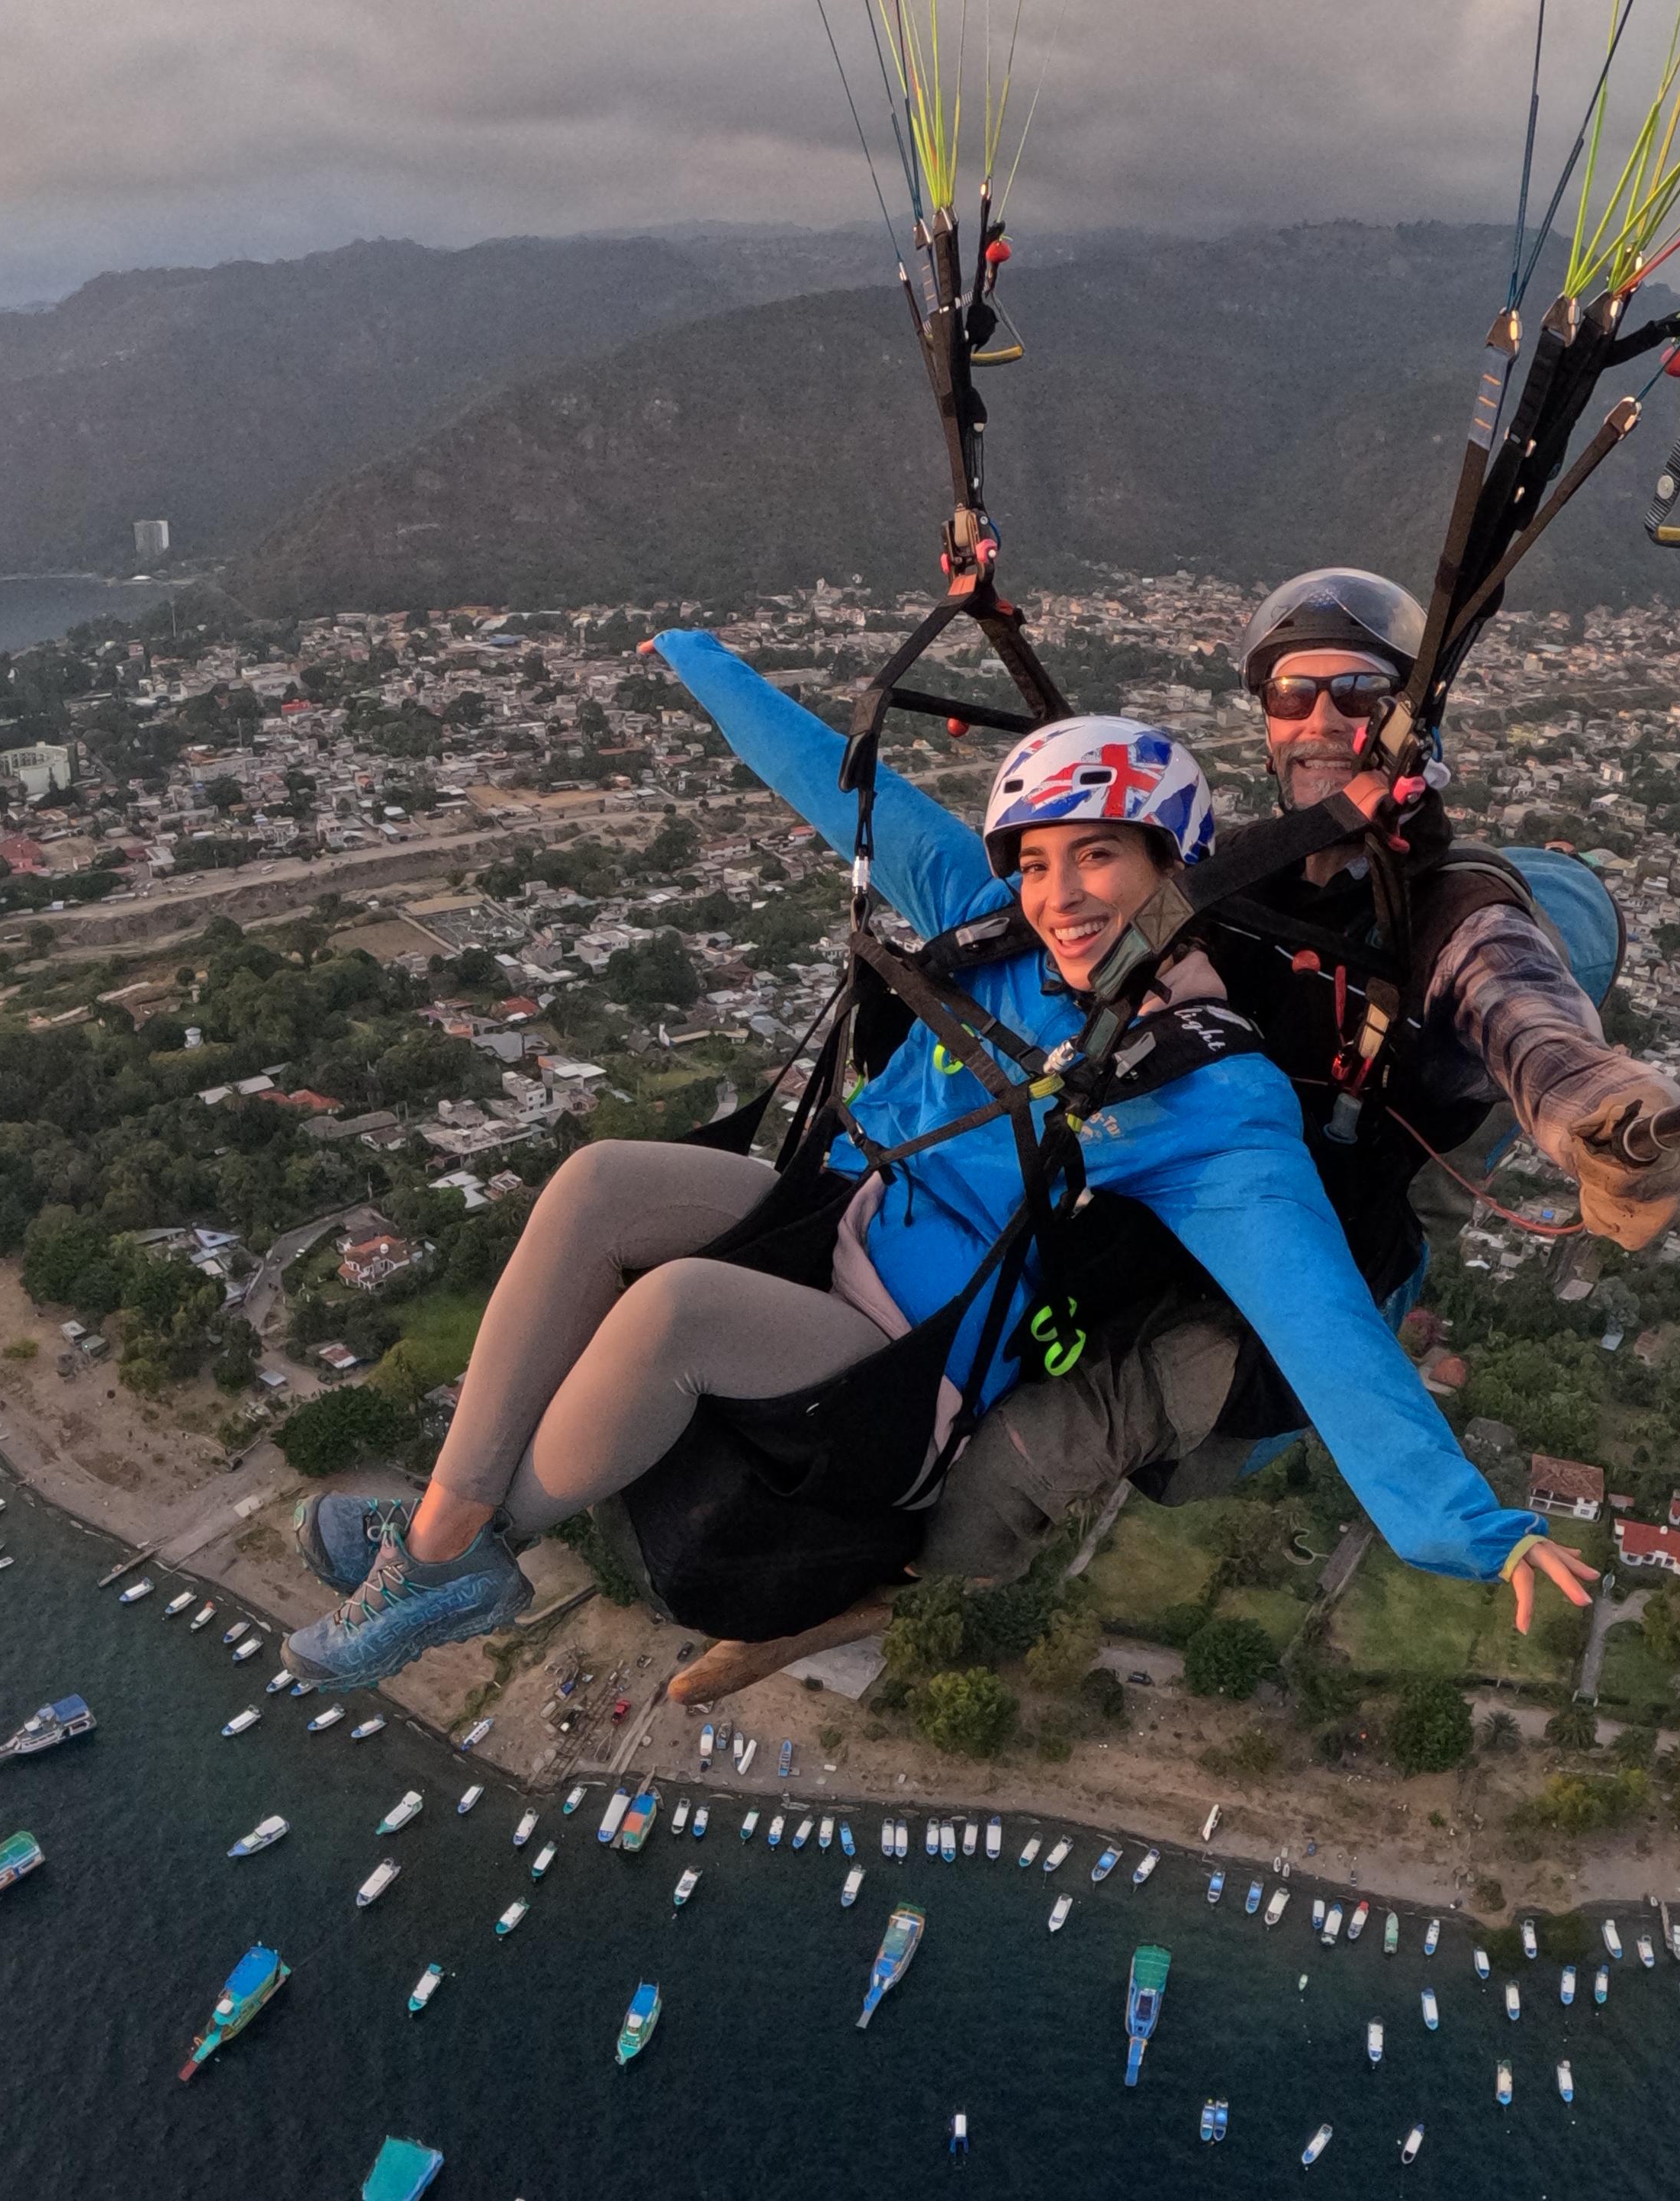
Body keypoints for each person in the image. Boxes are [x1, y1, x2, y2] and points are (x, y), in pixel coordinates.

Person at [282, 653, 1597, 1688]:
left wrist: (1468, 1528)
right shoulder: (1004, 935)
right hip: (848, 1226)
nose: (1063, 895)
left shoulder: (1204, 1086)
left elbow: (1320, 1321)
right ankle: (442, 1531)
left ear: (1169, 872)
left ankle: (451, 1556)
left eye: (1100, 859)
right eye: (1038, 860)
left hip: (911, 1360)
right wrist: (697, 662)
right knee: (603, 1182)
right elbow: (844, 790)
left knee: (672, 1314)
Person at [888, 562, 1680, 1597]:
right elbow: (1078, 883)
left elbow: (1533, 1026)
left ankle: (904, 1596)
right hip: (1168, 1204)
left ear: (1408, 722)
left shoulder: (1455, 910)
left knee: (1033, 1444)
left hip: (1292, 1285)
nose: (1322, 721)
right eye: (1293, 696)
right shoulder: (1239, 869)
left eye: (1359, 695)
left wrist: (1612, 1127)